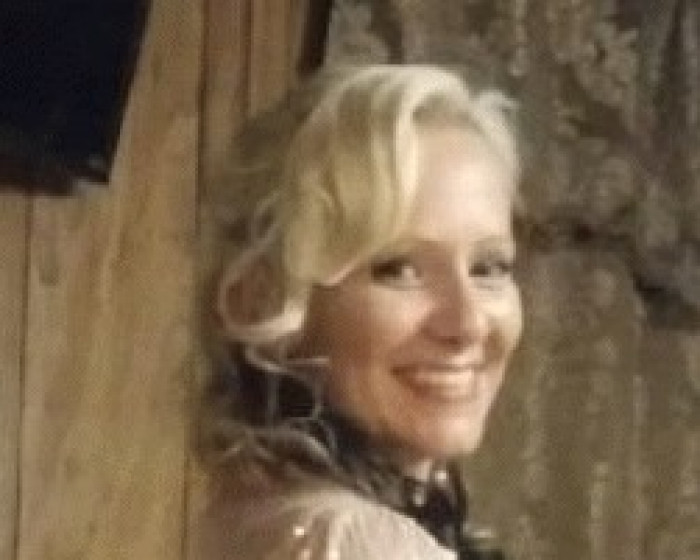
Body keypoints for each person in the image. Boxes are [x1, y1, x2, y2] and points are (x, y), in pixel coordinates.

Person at [195, 64, 523, 560]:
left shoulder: (269, 517)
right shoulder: (354, 542)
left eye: (489, 267)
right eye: (400, 269)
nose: (468, 323)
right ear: (266, 300)